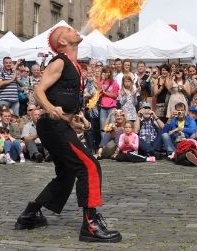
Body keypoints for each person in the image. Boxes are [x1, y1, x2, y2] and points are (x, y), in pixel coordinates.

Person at [15, 26, 121, 243]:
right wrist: (50, 108)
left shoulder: (73, 64)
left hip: (58, 125)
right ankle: (91, 225)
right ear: (62, 42)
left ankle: (30, 215)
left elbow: (62, 97)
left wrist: (72, 118)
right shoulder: (60, 61)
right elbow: (39, 90)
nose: (75, 31)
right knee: (89, 165)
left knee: (67, 174)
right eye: (69, 31)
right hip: (51, 125)